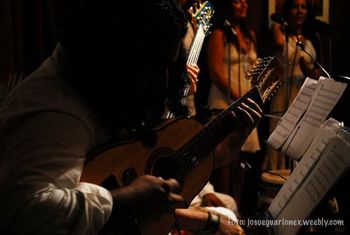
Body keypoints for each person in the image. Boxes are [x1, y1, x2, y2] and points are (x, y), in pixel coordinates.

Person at [0, 0, 261, 234]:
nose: (163, 81)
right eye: (155, 66)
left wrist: (219, 153)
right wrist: (124, 200)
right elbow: (23, 211)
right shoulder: (55, 113)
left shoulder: (103, 93)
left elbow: (137, 167)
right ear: (119, 52)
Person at [205, 0, 264, 217]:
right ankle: (222, 214)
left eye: (245, 2)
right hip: (223, 103)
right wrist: (240, 98)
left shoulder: (249, 34)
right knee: (225, 164)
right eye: (238, 1)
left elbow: (253, 71)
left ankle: (236, 212)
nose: (244, 5)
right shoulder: (220, 34)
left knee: (242, 164)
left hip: (245, 102)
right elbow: (215, 73)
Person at [267, 0, 325, 170]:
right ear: (287, 10)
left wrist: (315, 73)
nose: (300, 11)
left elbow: (314, 67)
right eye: (295, 7)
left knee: (301, 150)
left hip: (306, 96)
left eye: (303, 7)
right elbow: (278, 44)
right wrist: (279, 25)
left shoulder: (312, 38)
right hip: (284, 96)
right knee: (280, 153)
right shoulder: (279, 31)